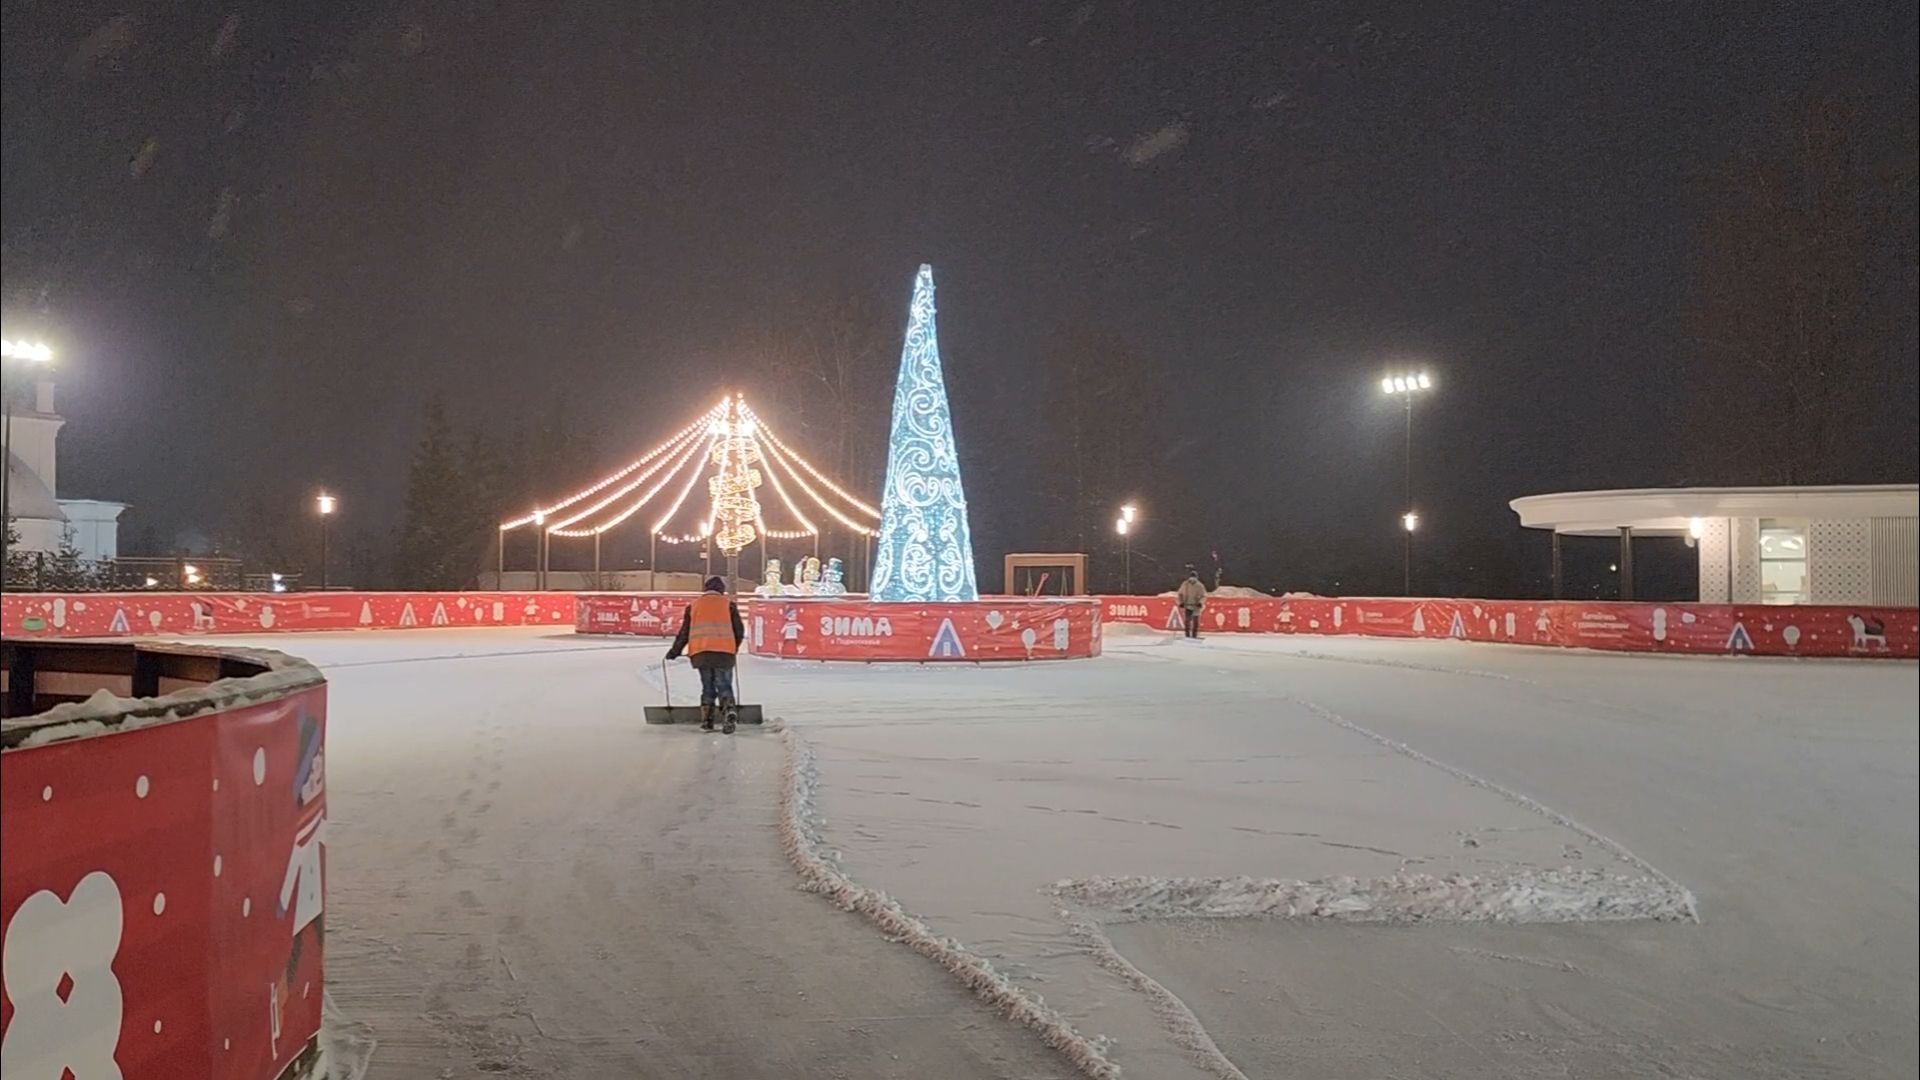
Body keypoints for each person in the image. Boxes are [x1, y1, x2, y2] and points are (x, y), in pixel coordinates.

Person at [665, 576, 746, 732]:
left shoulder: (694, 606)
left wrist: (673, 652)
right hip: (724, 653)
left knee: (707, 686)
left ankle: (707, 721)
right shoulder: (729, 605)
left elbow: (684, 633)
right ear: (721, 590)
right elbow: (739, 630)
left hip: (701, 653)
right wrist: (733, 647)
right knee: (724, 684)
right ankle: (729, 710)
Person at [1176, 568, 1207, 640]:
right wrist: (1181, 602)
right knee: (1187, 621)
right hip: (1187, 605)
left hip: (1196, 606)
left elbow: (1204, 595)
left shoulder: (1200, 586)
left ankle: (1194, 635)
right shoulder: (1185, 584)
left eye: (1194, 577)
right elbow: (1180, 594)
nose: (1192, 579)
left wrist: (1200, 602)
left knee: (1195, 622)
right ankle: (1187, 635)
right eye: (1191, 577)